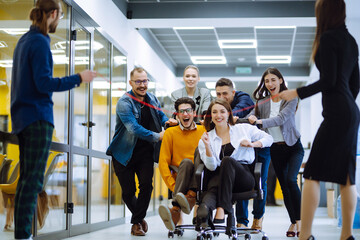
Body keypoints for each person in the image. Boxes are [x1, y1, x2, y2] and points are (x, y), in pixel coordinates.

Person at [10, 1, 96, 239]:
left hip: (22, 118)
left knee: (28, 180)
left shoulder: (23, 42)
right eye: (59, 17)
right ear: (54, 14)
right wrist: (78, 77)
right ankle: (24, 235)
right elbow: (44, 83)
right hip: (37, 118)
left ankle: (22, 233)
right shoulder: (39, 42)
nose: (58, 21)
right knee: (33, 181)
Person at [279, 1, 359, 239]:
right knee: (347, 176)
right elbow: (355, 83)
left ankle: (305, 235)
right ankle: (347, 235)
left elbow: (329, 81)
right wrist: (345, 103)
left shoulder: (327, 39)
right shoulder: (351, 41)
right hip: (351, 111)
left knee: (312, 172)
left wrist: (296, 93)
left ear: (324, 13)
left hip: (337, 113)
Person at [106, 67, 176, 236]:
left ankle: (136, 222)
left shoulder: (152, 99)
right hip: (123, 153)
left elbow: (161, 117)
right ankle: (139, 219)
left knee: (146, 186)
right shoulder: (125, 102)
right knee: (128, 192)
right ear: (131, 83)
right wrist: (158, 136)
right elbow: (133, 128)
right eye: (138, 82)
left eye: (145, 81)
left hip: (145, 152)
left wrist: (168, 122)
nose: (142, 85)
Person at [197, 99, 273, 231]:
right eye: (214, 112)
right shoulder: (206, 138)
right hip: (221, 176)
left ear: (228, 114)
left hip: (243, 177)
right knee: (216, 181)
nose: (218, 115)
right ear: (210, 116)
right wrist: (208, 146)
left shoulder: (243, 129)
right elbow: (212, 167)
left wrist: (253, 144)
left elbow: (268, 139)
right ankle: (205, 210)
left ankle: (221, 207)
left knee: (227, 161)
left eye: (222, 111)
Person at [249, 67, 304, 237]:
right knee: (285, 188)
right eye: (267, 81)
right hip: (275, 148)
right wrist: (248, 118)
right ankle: (293, 223)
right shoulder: (262, 102)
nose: (270, 83)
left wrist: (258, 121)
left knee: (291, 180)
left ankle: (301, 223)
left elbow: (281, 119)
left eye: (273, 79)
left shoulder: (290, 98)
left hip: (293, 147)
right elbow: (252, 114)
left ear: (280, 80)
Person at [215, 77, 271, 230]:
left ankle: (258, 218)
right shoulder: (221, 106)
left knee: (261, 182)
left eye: (225, 94)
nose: (221, 97)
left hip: (259, 144)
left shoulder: (243, 98)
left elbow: (241, 109)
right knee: (240, 177)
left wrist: (231, 115)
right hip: (242, 147)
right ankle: (242, 221)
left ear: (233, 92)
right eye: (218, 94)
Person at [158, 97, 206, 231]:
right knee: (185, 163)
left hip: (201, 175)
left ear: (194, 113)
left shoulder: (203, 130)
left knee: (199, 151)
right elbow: (163, 162)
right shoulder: (170, 133)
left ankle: (176, 209)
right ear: (177, 115)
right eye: (182, 111)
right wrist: (174, 187)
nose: (185, 114)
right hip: (181, 175)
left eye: (188, 111)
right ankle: (188, 197)